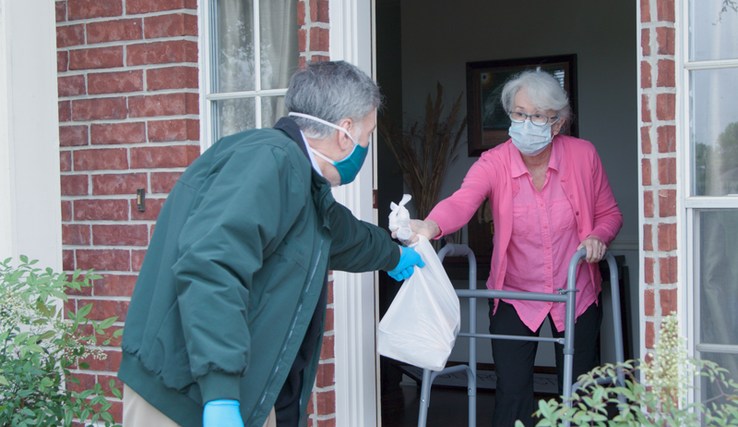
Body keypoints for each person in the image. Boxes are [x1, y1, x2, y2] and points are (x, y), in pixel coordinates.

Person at [117, 61, 425, 427]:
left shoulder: (303, 182)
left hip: (240, 393)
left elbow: (342, 236)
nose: (365, 146)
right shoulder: (269, 161)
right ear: (345, 133)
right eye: (368, 134)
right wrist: (219, 394)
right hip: (186, 396)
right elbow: (212, 265)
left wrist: (394, 255)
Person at [404, 69, 623, 427]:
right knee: (512, 391)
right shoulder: (494, 162)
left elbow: (610, 213)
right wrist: (431, 225)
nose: (526, 123)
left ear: (558, 122)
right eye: (519, 114)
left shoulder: (584, 156)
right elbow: (463, 201)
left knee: (580, 390)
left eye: (537, 116)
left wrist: (598, 235)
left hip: (576, 290)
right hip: (515, 292)